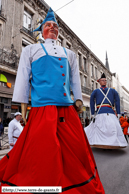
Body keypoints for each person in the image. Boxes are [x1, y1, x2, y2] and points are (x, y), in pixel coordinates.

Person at [0, 8, 105, 193]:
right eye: (48, 25)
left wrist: (79, 101)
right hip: (43, 108)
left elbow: (74, 79)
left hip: (66, 108)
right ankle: (44, 184)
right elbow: (23, 78)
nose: (53, 28)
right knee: (43, 149)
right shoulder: (31, 49)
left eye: (55, 26)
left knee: (75, 148)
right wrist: (23, 109)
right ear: (41, 29)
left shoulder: (70, 54)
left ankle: (72, 181)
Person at [84, 73, 128, 149]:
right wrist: (92, 112)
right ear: (99, 82)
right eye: (102, 80)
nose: (104, 82)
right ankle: (103, 144)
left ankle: (110, 144)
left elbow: (117, 101)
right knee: (108, 128)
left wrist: (118, 113)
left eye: (105, 80)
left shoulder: (111, 91)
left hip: (109, 112)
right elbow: (91, 101)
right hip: (101, 112)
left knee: (109, 129)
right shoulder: (97, 91)